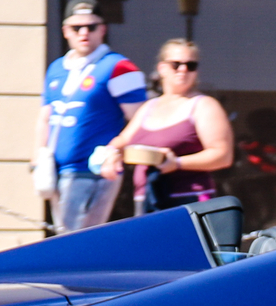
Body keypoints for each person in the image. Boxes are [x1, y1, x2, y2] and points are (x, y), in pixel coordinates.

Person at [37, 0, 146, 231]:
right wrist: (38, 157)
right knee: (63, 238)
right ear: (66, 31)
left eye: (92, 27)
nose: (84, 33)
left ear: (103, 29)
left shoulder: (118, 66)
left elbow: (141, 118)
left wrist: (115, 151)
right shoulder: (57, 68)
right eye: (77, 28)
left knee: (77, 244)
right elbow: (46, 116)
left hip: (92, 171)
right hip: (58, 170)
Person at [100, 39, 234, 212]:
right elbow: (123, 139)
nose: (183, 70)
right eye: (176, 64)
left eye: (190, 65)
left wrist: (177, 163)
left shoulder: (203, 105)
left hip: (188, 201)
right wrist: (111, 154)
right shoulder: (149, 107)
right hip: (146, 200)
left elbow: (223, 155)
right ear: (162, 68)